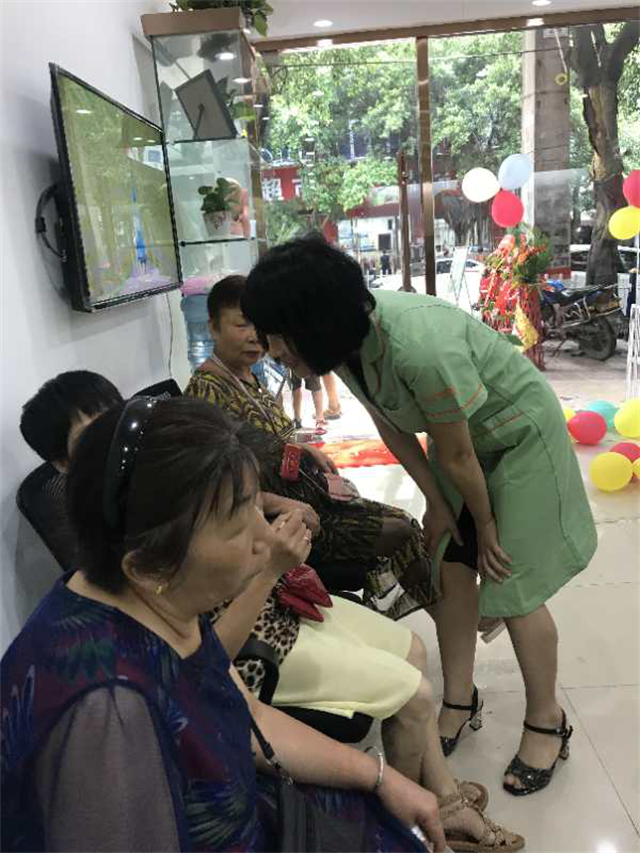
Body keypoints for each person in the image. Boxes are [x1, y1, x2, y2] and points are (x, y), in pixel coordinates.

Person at [1, 398, 524, 853]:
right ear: (148, 565)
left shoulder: (155, 595)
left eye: (256, 507)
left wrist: (380, 776)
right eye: (235, 526)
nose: (264, 536)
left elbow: (242, 711)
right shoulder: (106, 711)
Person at [242, 235, 598, 798]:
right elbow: (394, 429)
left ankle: (547, 720)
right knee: (448, 565)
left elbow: (457, 456)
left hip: (519, 439)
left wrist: (485, 526)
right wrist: (436, 502)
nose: (272, 349)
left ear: (313, 320)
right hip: (463, 449)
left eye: (277, 334)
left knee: (511, 581)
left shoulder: (418, 345)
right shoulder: (346, 346)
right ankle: (459, 697)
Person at [185, 275, 437, 620]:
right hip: (285, 524)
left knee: (405, 521)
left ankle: (436, 617)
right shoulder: (206, 393)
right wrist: (281, 502)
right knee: (402, 532)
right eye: (241, 325)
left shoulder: (248, 377)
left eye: (259, 327)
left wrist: (304, 450)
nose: (254, 336)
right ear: (213, 328)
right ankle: (432, 619)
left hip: (313, 501)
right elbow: (214, 490)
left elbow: (267, 441)